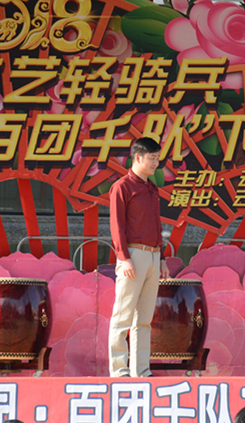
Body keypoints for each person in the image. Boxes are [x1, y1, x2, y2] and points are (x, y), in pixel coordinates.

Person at [108, 137, 170, 378]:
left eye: (157, 158)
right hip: (133, 255)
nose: (156, 163)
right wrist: (124, 258)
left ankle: (141, 371)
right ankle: (119, 370)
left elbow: (157, 225)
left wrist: (161, 258)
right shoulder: (122, 186)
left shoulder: (152, 188)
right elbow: (117, 226)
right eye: (152, 158)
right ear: (137, 157)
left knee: (144, 319)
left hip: (153, 257)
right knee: (123, 316)